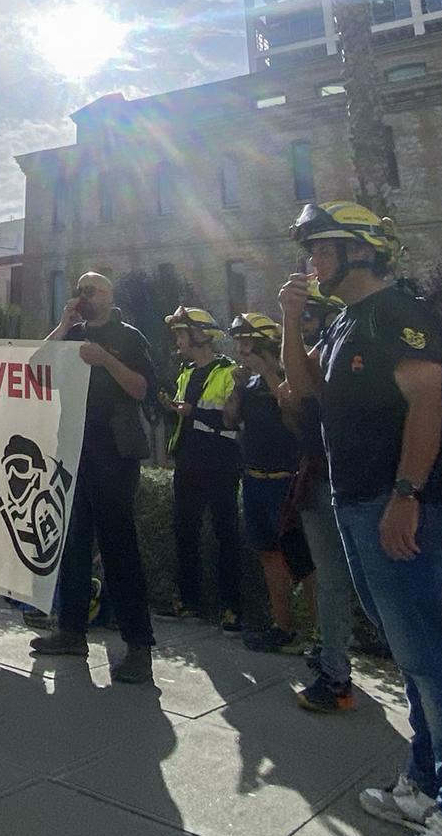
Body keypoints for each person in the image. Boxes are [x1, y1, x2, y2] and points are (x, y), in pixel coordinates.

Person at [281, 202, 442, 836]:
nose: (312, 258)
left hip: (395, 502)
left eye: (323, 246)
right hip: (355, 502)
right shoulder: (347, 319)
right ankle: (424, 782)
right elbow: (301, 393)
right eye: (310, 248)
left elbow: (426, 405)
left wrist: (406, 494)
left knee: (428, 657)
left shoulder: (395, 312)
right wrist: (291, 322)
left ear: (364, 251)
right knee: (409, 654)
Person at [29, 271, 158, 686]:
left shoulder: (129, 337)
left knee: (120, 548)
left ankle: (138, 645)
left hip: (114, 455)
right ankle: (71, 630)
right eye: (81, 291)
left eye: (94, 291)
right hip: (73, 451)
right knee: (74, 544)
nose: (86, 296)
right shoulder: (72, 333)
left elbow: (141, 389)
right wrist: (63, 325)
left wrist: (106, 359)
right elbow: (35, 369)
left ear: (109, 296)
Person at [282, 294, 363, 714]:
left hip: (364, 479)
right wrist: (290, 319)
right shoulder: (333, 337)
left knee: (379, 589)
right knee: (331, 579)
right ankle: (335, 670)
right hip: (319, 472)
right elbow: (295, 386)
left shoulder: (372, 327)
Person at [222, 310, 320, 653]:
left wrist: (266, 373)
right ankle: (284, 628)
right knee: (268, 553)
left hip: (285, 480)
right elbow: (232, 421)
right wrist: (236, 389)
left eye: (245, 341)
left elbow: (296, 416)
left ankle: (323, 634)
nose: (240, 348)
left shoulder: (285, 373)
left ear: (263, 342)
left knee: (303, 560)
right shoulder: (246, 381)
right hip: (254, 478)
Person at [156, 304, 244, 632]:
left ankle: (232, 607)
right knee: (185, 529)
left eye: (182, 333)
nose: (178, 340)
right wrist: (175, 410)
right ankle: (188, 599)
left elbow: (230, 421)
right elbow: (186, 418)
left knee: (225, 532)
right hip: (188, 460)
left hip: (220, 461)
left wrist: (191, 411)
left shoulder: (227, 372)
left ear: (200, 335)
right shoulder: (186, 372)